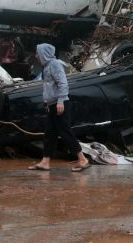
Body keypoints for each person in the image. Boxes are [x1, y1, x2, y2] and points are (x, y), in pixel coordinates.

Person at [27, 43, 91, 172]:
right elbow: (50, 87)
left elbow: (63, 83)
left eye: (37, 53)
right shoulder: (46, 67)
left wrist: (60, 101)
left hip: (60, 104)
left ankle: (82, 159)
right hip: (52, 105)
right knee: (49, 134)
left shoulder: (55, 64)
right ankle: (45, 162)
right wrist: (47, 102)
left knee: (65, 132)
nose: (36, 56)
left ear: (44, 53)